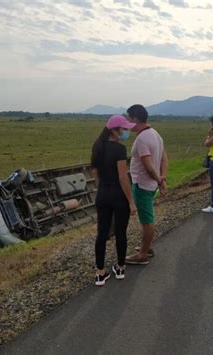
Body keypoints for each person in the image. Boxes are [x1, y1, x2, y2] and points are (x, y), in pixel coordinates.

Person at [90, 115, 137, 286]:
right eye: (124, 129)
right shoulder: (119, 149)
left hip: (102, 195)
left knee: (101, 234)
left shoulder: (97, 146)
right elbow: (123, 178)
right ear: (114, 130)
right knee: (121, 233)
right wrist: (131, 201)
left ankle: (100, 273)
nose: (126, 132)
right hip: (118, 196)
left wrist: (102, 188)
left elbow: (94, 174)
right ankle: (120, 268)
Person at [125, 104, 168, 265]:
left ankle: (143, 254)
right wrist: (162, 178)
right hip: (151, 185)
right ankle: (146, 246)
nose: (128, 122)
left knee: (147, 221)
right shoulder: (155, 134)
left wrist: (159, 180)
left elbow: (148, 166)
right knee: (147, 218)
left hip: (143, 185)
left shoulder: (142, 138)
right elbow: (164, 159)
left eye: (129, 118)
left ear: (135, 119)